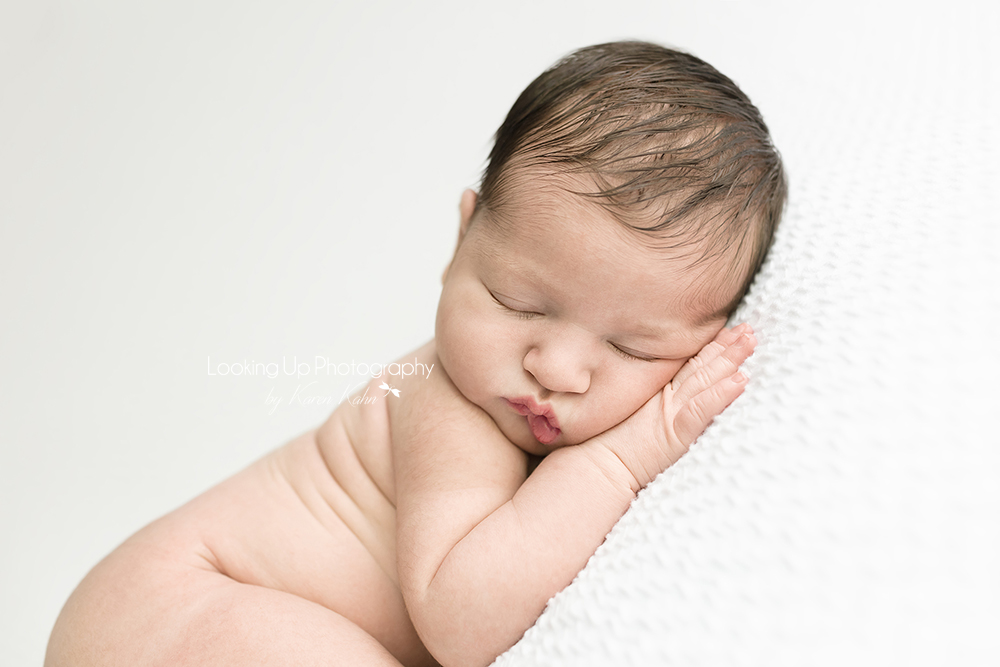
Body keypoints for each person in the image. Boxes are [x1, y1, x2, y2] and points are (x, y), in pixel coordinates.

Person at [45, 40, 785, 667]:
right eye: (517, 303)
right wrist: (626, 455)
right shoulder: (445, 402)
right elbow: (462, 619)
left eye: (632, 346)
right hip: (177, 603)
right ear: (463, 239)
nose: (555, 369)